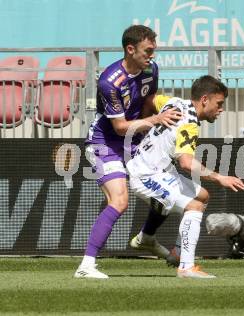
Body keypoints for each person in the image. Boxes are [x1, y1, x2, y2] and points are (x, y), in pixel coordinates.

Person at [74, 25, 182, 279]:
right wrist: (157, 120)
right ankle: (86, 266)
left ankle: (147, 237)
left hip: (135, 139)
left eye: (154, 50)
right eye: (148, 50)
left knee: (165, 192)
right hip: (105, 142)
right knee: (120, 201)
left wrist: (154, 125)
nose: (152, 55)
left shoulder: (150, 69)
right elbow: (120, 127)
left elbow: (147, 102)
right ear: (130, 49)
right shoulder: (109, 82)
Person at [127, 75, 244, 278]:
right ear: (204, 99)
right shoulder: (189, 124)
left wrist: (153, 123)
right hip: (146, 174)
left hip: (160, 170)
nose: (221, 109)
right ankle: (186, 267)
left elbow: (149, 100)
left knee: (203, 196)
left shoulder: (174, 102)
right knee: (195, 206)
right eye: (219, 104)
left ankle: (177, 252)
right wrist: (220, 178)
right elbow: (186, 163)